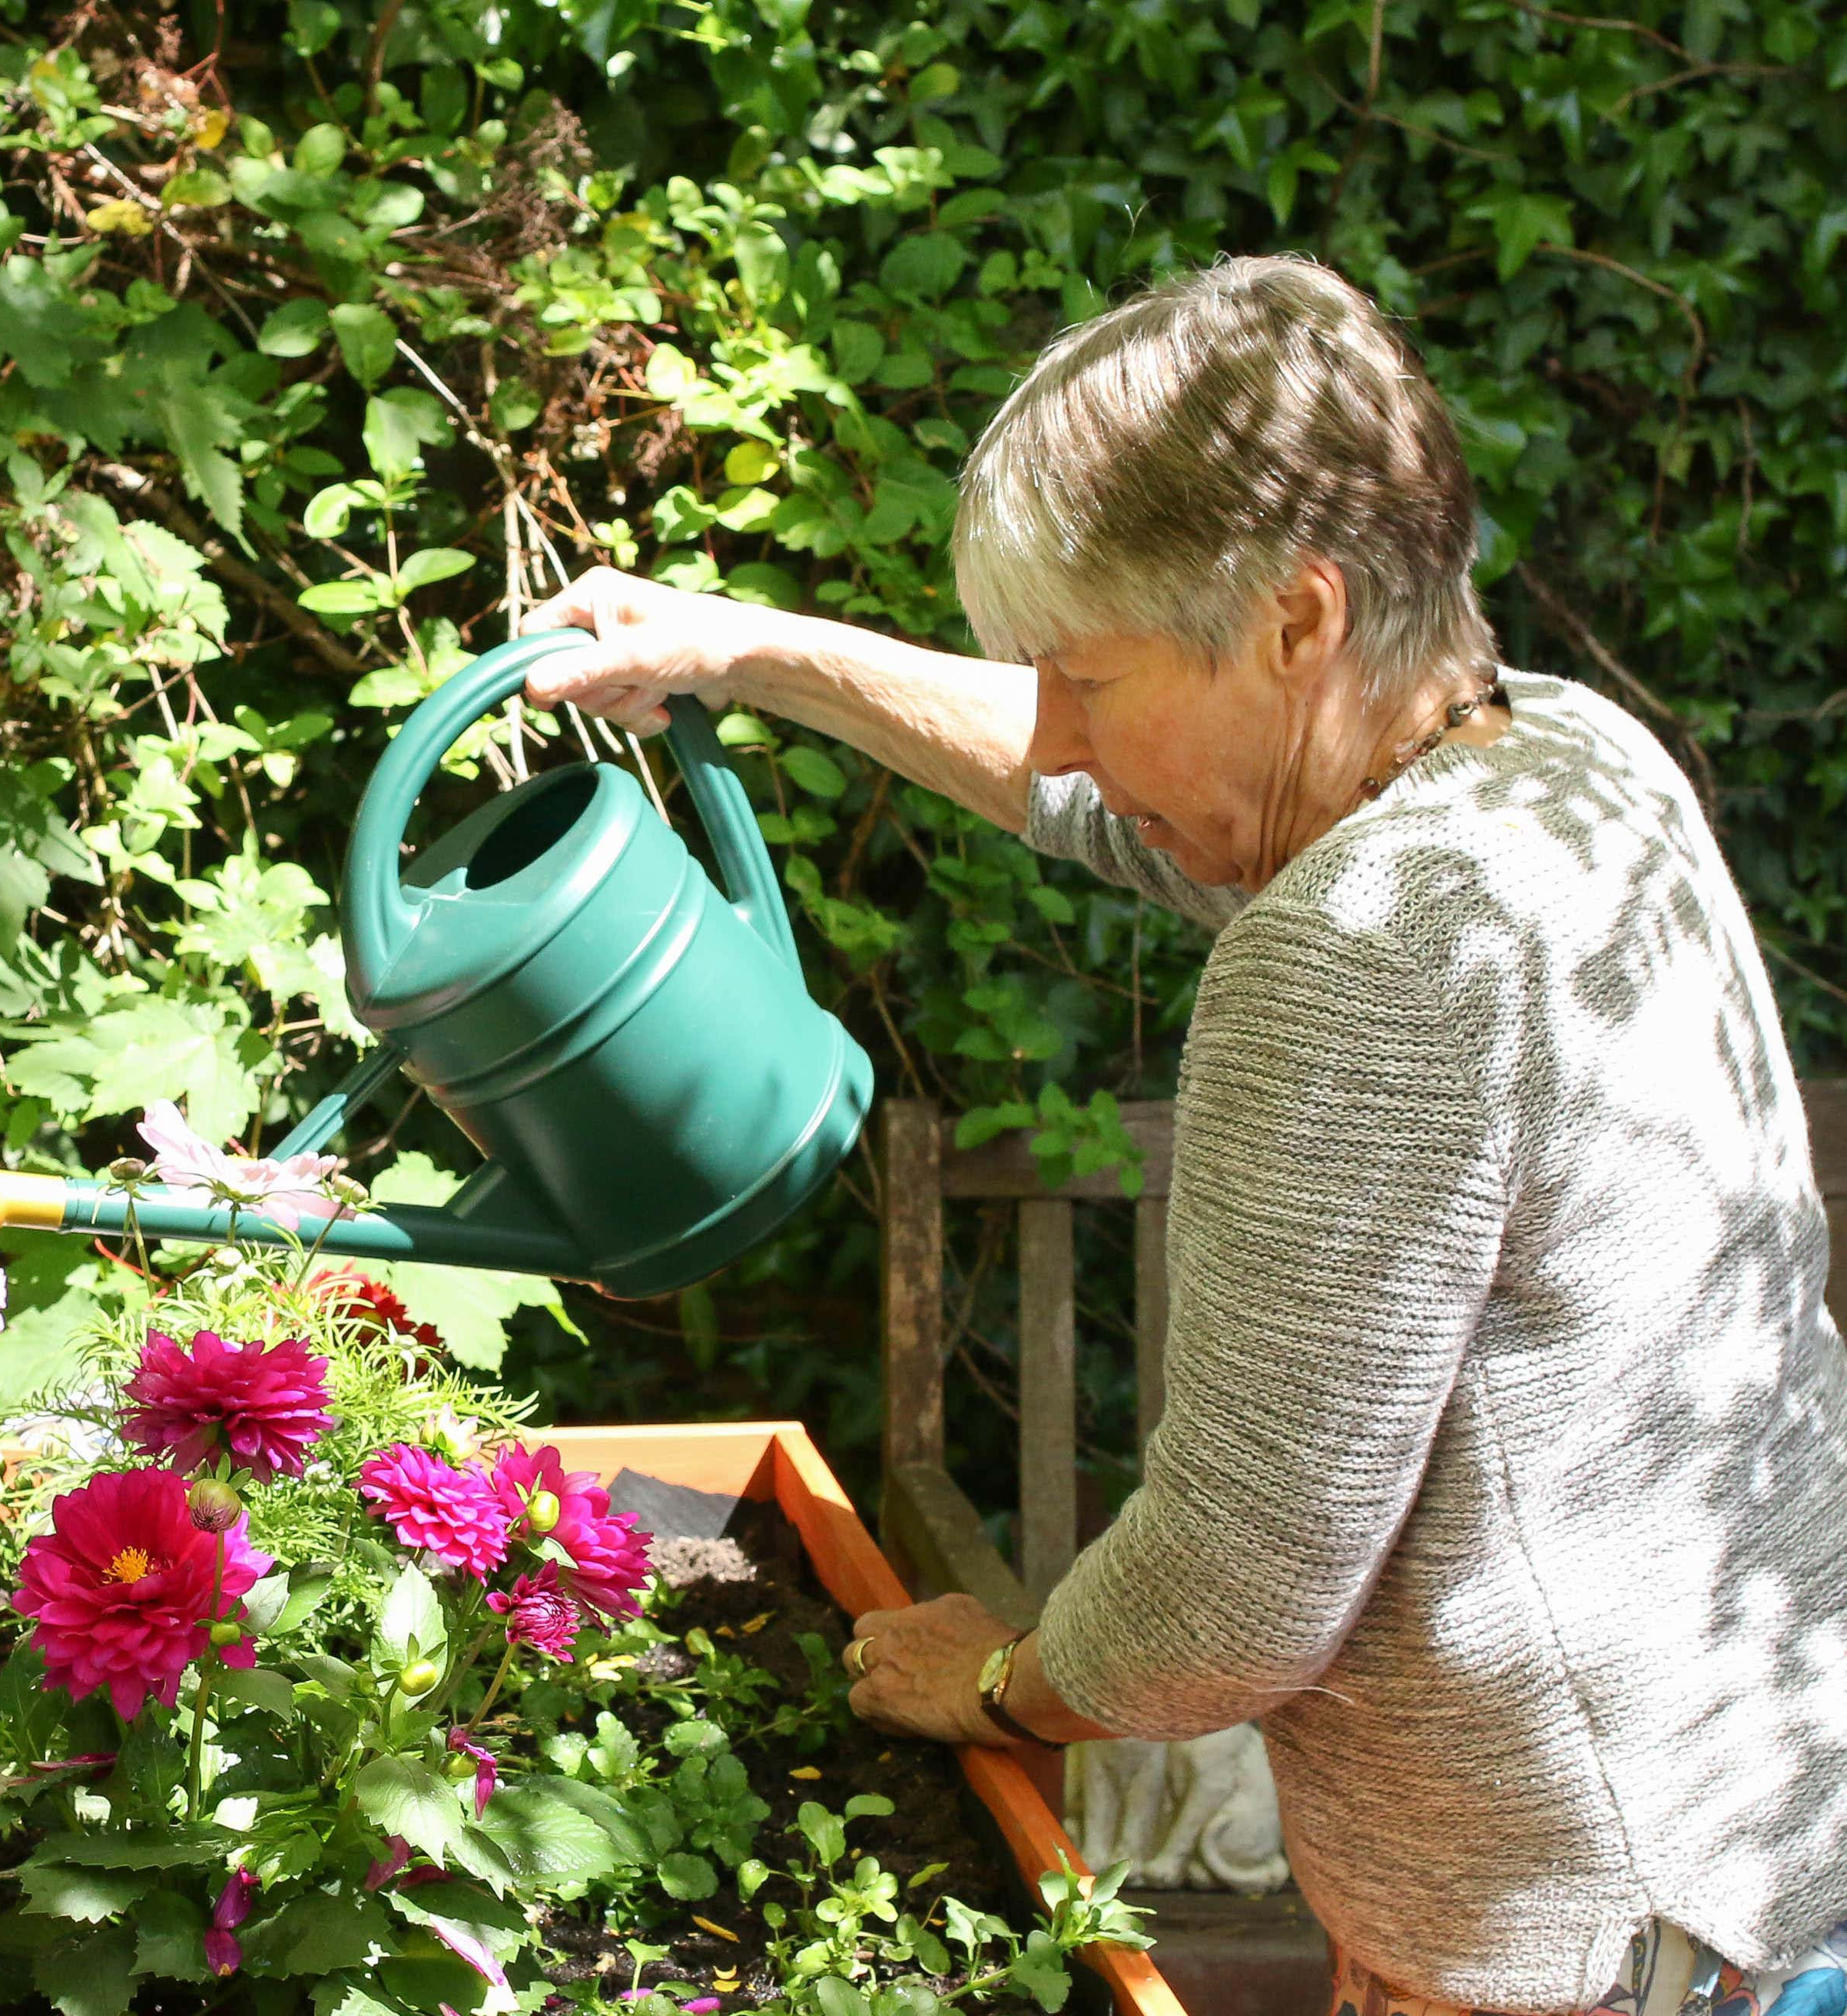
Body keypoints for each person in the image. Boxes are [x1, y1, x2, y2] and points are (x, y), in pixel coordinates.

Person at [517, 254, 1847, 2016]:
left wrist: (1001, 1677)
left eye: (1087, 673)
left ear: (1296, 623)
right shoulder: (1570, 766)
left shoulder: (1364, 951)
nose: (1059, 733)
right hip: (1764, 1835)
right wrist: (751, 650)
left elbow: (1239, 1579)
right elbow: (1096, 793)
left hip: (1587, 1953)